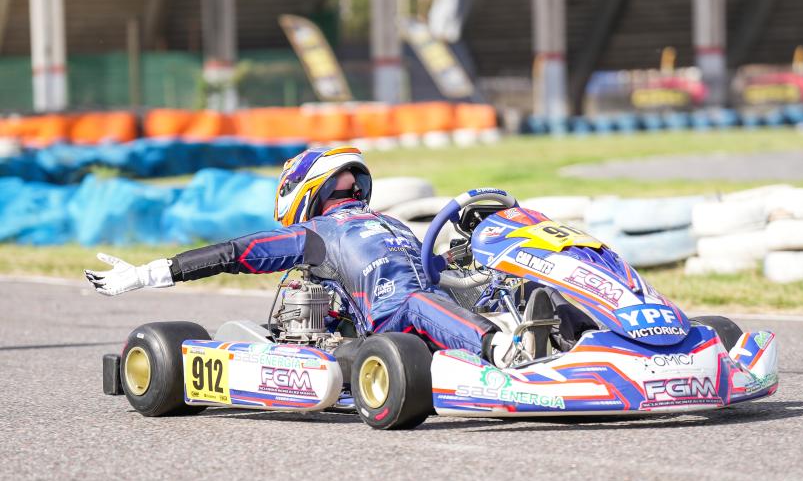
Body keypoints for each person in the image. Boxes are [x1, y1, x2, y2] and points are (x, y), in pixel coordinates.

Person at [85, 146, 517, 366]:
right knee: (418, 303)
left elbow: (429, 269)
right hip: (387, 327)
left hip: (427, 313)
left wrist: (477, 273)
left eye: (353, 180)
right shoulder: (315, 235)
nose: (351, 185)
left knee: (503, 284)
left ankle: (556, 335)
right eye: (345, 181)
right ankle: (499, 350)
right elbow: (234, 254)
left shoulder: (395, 224)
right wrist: (149, 273)